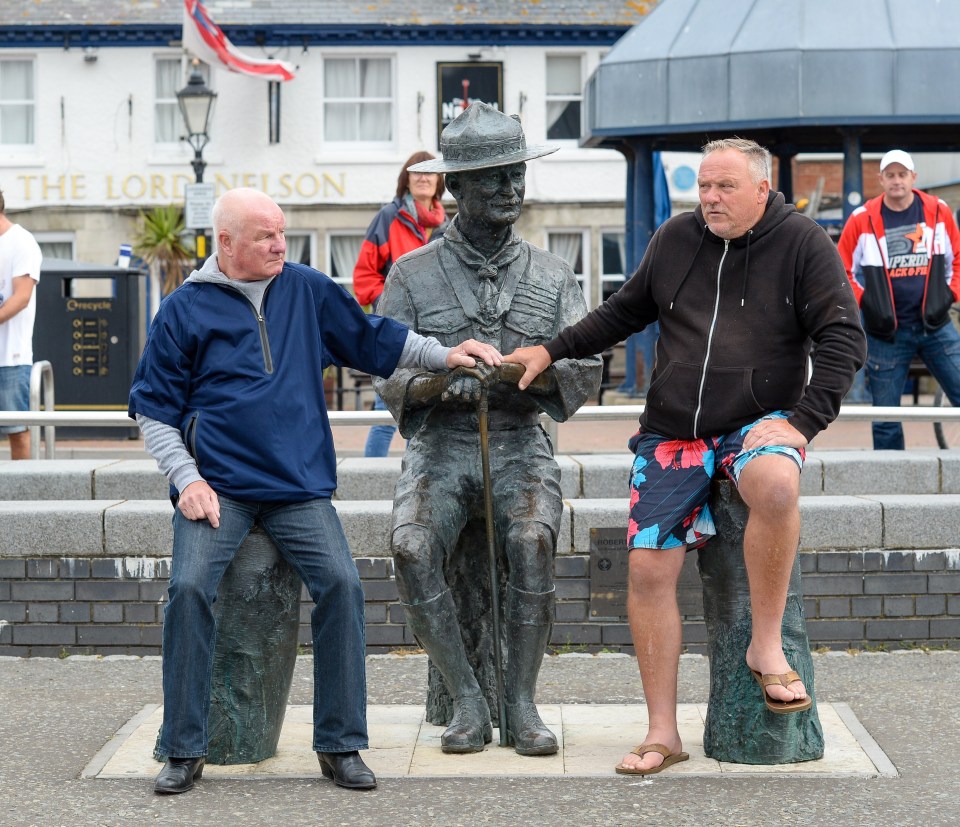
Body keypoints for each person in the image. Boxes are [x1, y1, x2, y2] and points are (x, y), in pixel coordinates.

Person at [505, 138, 866, 775]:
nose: (708, 199)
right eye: (702, 186)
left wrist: (804, 422)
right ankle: (662, 733)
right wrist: (550, 350)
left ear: (762, 189)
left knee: (778, 486)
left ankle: (765, 647)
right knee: (646, 570)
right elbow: (624, 309)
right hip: (672, 434)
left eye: (724, 188)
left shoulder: (803, 242)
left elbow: (843, 336)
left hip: (757, 423)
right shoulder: (676, 237)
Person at [128, 187, 500, 795]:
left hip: (299, 486)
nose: (280, 244)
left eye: (281, 232)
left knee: (343, 587)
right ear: (226, 244)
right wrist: (187, 479)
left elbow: (373, 337)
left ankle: (341, 744)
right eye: (264, 236)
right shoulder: (184, 309)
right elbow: (153, 411)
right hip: (217, 487)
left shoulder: (305, 288)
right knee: (189, 589)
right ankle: (183, 749)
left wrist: (444, 354)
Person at [376, 103, 602, 756]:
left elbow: (584, 367)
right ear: (457, 190)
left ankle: (519, 698)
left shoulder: (555, 274)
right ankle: (468, 696)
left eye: (516, 176)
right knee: (413, 545)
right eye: (495, 178)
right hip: (441, 448)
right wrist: (442, 383)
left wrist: (527, 376)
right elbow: (387, 370)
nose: (511, 189)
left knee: (532, 537)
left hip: (518, 444)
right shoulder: (411, 274)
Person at [837, 149, 960, 449]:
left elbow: (957, 259)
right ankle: (890, 485)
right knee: (886, 418)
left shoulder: (937, 210)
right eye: (890, 175)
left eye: (902, 174)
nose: (896, 181)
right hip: (886, 335)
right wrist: (867, 303)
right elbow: (840, 270)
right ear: (880, 179)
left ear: (913, 178)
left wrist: (949, 294)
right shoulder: (862, 218)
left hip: (936, 327)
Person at [353, 151, 448, 456]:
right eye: (415, 172)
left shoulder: (449, 226)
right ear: (405, 180)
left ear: (440, 181)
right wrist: (393, 307)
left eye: (429, 172)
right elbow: (364, 277)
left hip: (436, 334)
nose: (423, 177)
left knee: (423, 415)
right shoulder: (388, 219)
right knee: (387, 411)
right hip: (396, 333)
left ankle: (417, 482)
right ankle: (369, 480)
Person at [0, 186, 42, 460]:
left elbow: (21, 297)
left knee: (17, 431)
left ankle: (22, 499)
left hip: (10, 357)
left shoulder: (21, 241)